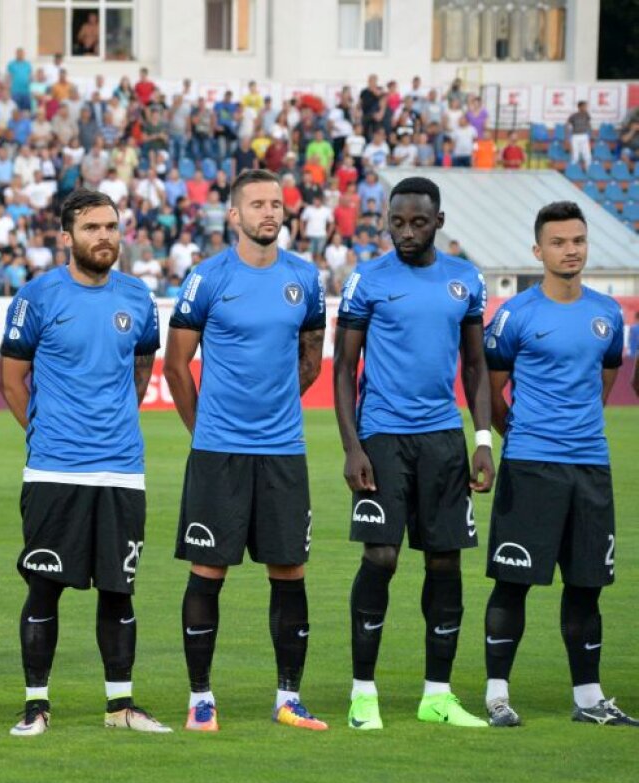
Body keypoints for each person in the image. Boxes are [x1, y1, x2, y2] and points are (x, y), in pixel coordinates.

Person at [0, 188, 168, 737]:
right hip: (54, 470)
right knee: (44, 587)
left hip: (121, 469)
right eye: (92, 227)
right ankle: (35, 705)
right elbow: (10, 379)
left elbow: (142, 364)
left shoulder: (138, 297)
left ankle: (120, 705)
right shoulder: (38, 296)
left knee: (120, 589)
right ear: (66, 237)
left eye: (112, 227)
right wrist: (48, 433)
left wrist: (112, 423)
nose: (105, 237)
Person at [165, 170, 327, 733]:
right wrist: (202, 429)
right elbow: (175, 364)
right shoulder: (207, 278)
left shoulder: (305, 279)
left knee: (290, 570)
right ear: (233, 215)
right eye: (257, 204)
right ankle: (200, 699)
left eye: (276, 204)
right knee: (209, 570)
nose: (269, 213)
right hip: (219, 452)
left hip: (283, 450)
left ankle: (288, 698)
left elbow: (311, 356)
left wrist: (276, 405)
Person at [334, 176, 495, 731]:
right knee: (381, 558)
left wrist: (481, 440)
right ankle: (362, 694)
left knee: (445, 561)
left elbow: (475, 367)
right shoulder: (367, 279)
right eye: (396, 222)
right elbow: (342, 370)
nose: (406, 232)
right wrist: (353, 446)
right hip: (382, 438)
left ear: (439, 222)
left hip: (444, 440)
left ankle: (438, 695)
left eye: (418, 222)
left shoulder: (465, 280)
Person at [480, 202, 636, 727]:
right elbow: (492, 389)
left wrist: (575, 427)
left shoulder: (607, 315)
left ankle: (590, 699)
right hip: (531, 467)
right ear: (538, 251)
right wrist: (522, 433)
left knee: (587, 584)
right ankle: (497, 695)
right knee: (513, 581)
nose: (571, 250)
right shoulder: (515, 315)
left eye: (578, 241)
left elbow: (604, 380)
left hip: (591, 465)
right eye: (559, 242)